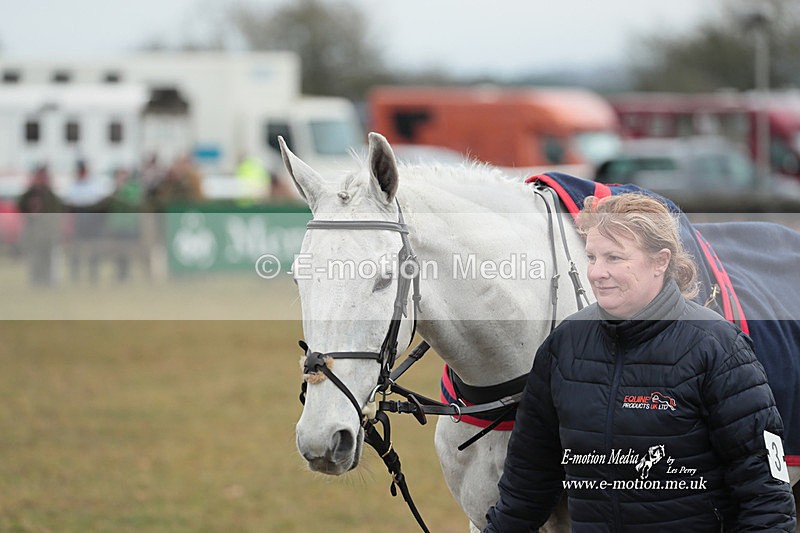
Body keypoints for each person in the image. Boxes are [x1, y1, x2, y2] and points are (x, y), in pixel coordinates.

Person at [484, 193, 796, 531]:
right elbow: (525, 488)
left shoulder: (718, 348)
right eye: (592, 257)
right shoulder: (564, 346)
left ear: (660, 261)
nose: (597, 273)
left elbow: (766, 499)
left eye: (614, 258)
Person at [17, 164, 63, 286]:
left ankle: (48, 282)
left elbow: (57, 212)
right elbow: (21, 206)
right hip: (34, 234)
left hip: (49, 234)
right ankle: (36, 282)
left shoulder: (51, 195)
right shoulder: (30, 194)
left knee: (49, 259)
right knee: (35, 259)